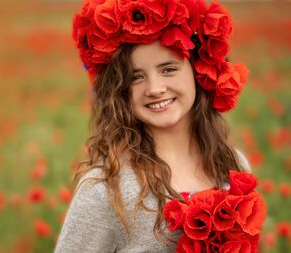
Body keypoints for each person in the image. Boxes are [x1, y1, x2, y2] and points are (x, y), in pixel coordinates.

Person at [55, 0, 251, 252]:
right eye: (136, 77)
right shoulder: (106, 190)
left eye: (168, 69)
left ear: (198, 71)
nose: (155, 88)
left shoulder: (232, 166)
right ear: (119, 89)